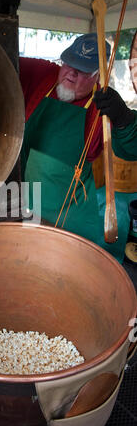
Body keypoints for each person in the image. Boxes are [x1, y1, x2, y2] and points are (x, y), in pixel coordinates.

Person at [18, 32, 137, 260]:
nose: (71, 73)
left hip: (69, 218)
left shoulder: (101, 107)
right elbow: (3, 59)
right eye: (68, 62)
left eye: (82, 70)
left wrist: (124, 119)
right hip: (26, 205)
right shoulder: (43, 75)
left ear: (97, 77)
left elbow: (131, 149)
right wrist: (5, 14)